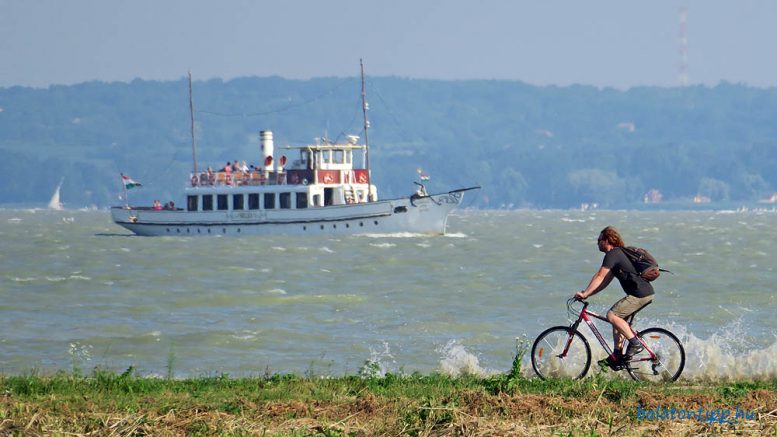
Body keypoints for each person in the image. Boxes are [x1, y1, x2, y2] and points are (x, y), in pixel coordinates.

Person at [574, 226, 654, 366]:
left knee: (612, 315)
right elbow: (604, 281)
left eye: (599, 240)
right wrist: (588, 294)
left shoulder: (612, 254)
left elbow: (600, 276)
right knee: (617, 321)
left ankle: (635, 343)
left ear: (607, 240)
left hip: (639, 294)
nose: (597, 243)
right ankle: (617, 356)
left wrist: (585, 293)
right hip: (643, 293)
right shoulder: (617, 255)